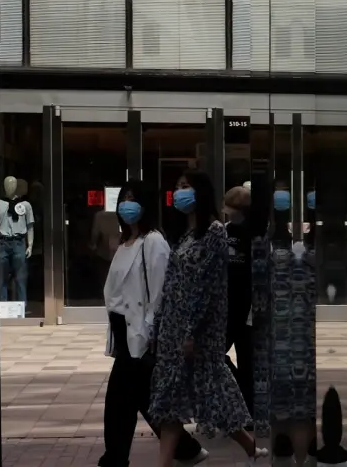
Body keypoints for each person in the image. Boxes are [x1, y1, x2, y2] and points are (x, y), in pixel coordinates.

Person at [148, 171, 266, 467]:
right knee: (170, 400)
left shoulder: (214, 233)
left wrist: (191, 331)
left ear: (200, 192)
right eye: (178, 186)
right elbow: (171, 283)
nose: (180, 192)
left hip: (199, 331)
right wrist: (160, 325)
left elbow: (206, 286)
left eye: (186, 186)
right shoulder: (185, 235)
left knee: (214, 394)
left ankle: (251, 448)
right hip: (174, 327)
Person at [98, 182, 206, 467]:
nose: (127, 204)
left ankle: (115, 459)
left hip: (141, 334)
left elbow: (160, 293)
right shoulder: (125, 243)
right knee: (142, 399)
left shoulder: (153, 242)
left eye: (133, 199)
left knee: (119, 402)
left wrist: (149, 332)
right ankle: (187, 449)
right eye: (124, 199)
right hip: (123, 332)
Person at [222, 185, 261, 412]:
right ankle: (239, 398)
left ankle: (250, 410)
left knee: (248, 364)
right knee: (215, 357)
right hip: (225, 309)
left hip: (247, 311)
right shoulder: (223, 232)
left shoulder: (256, 236)